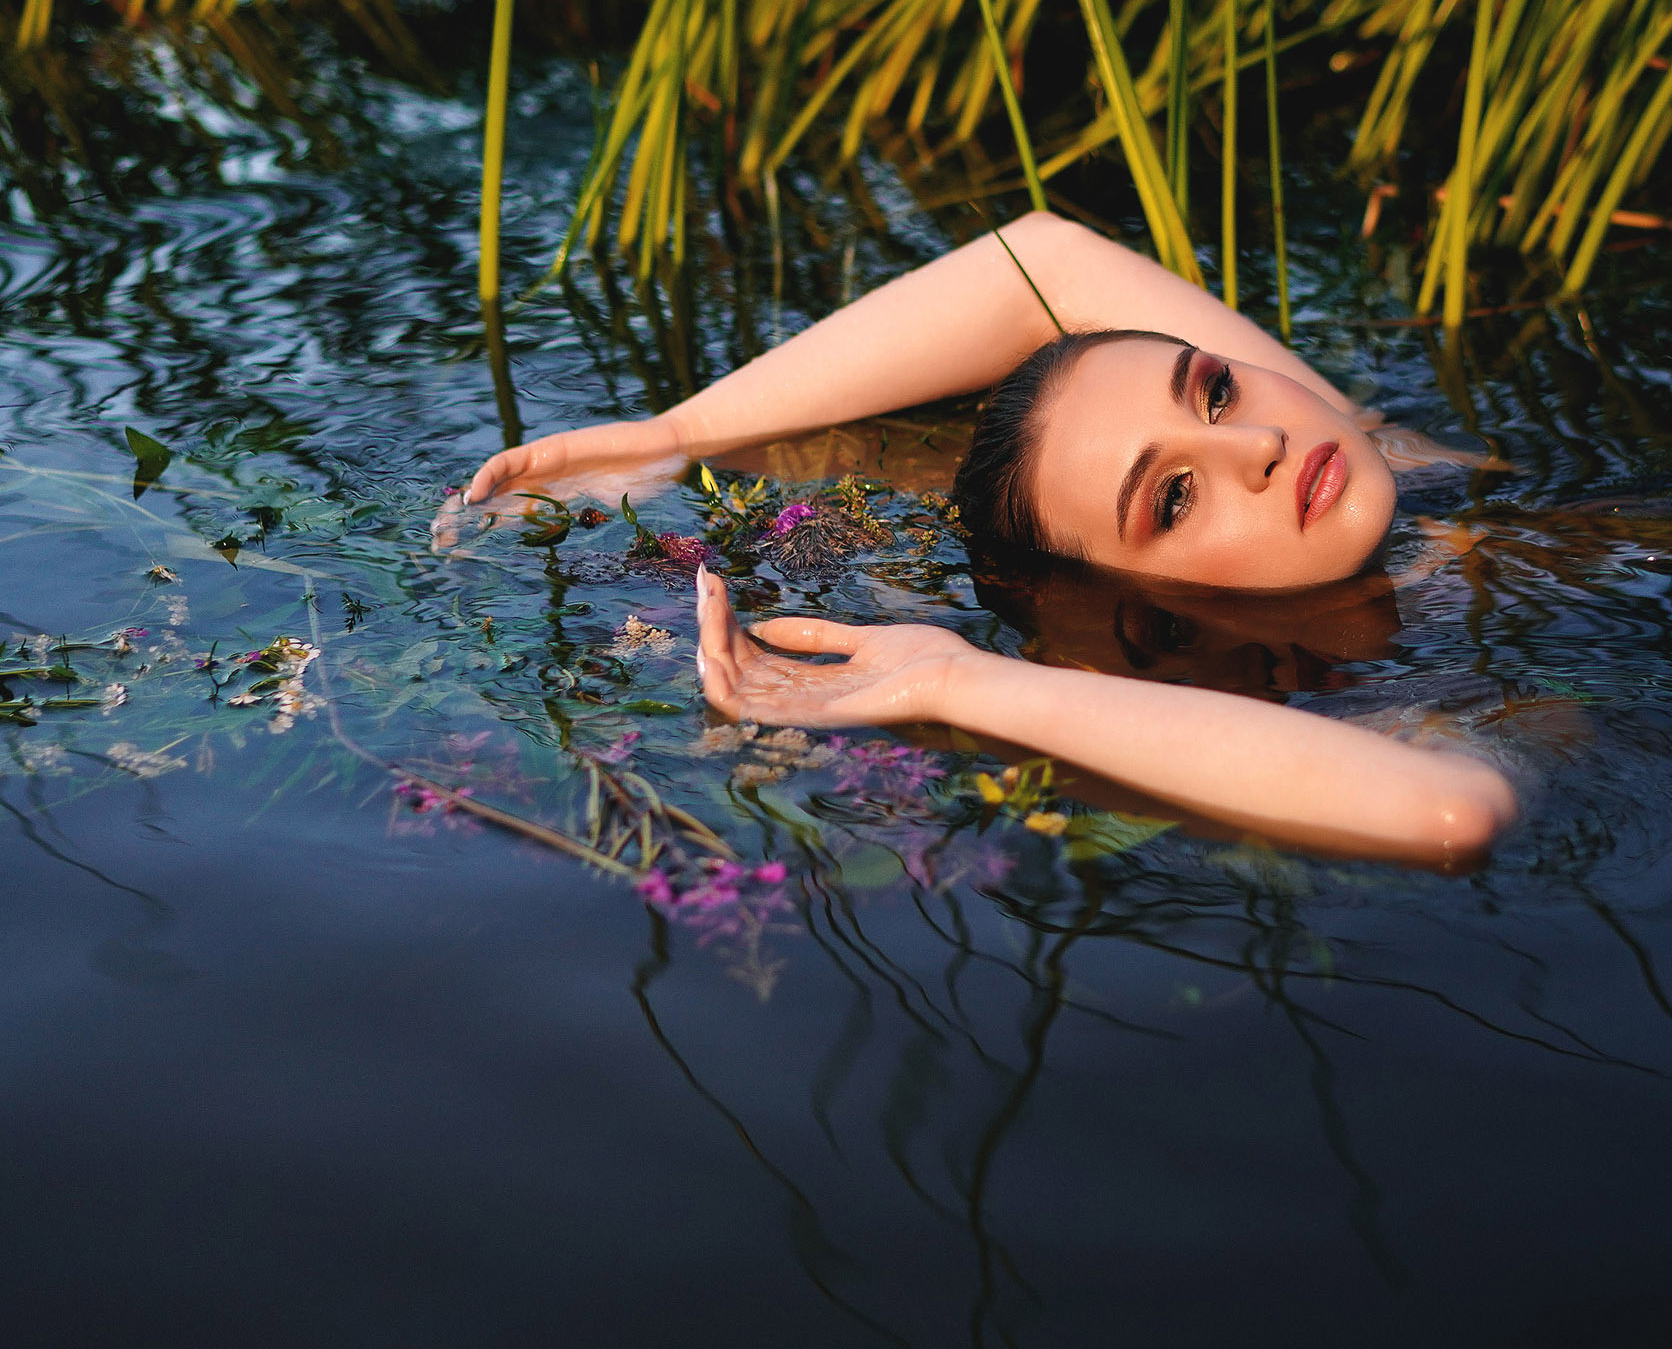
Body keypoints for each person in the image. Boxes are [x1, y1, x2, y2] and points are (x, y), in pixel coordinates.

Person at [449, 212, 1517, 864]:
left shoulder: (1378, 451)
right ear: (1141, 609)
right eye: (1175, 501)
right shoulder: (1425, 697)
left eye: (1215, 387)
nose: (1264, 442)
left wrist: (678, 433)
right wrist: (961, 686)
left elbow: (1037, 264)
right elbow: (1449, 810)